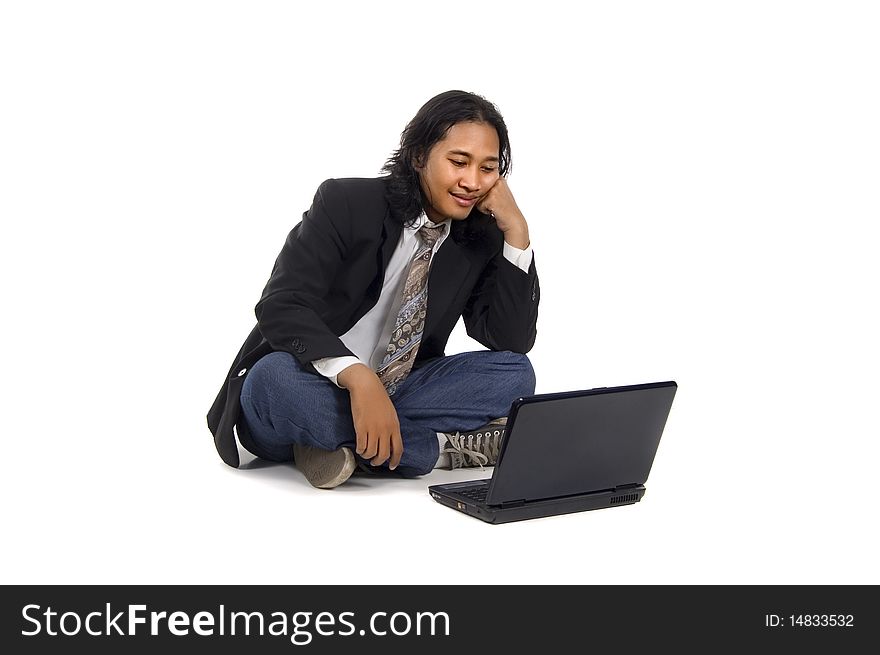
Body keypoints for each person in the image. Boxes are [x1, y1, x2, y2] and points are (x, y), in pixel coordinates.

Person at [206, 90, 539, 488]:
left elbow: (509, 339)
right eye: (458, 162)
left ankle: (335, 445)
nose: (471, 182)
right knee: (272, 378)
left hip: (400, 388)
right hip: (308, 378)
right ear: (419, 156)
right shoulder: (346, 202)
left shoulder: (477, 236)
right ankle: (437, 450)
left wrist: (516, 234)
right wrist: (357, 377)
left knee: (515, 374)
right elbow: (281, 305)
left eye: (487, 168)